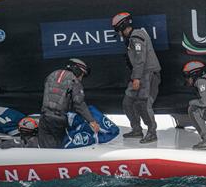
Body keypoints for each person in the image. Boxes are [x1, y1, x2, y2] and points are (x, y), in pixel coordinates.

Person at [111, 12, 161, 144]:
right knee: (127, 102)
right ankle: (137, 129)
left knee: (144, 104)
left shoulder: (137, 36)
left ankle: (152, 132)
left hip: (148, 74)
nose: (118, 33)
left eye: (117, 29)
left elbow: (140, 59)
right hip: (138, 75)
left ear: (123, 26)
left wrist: (137, 78)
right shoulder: (131, 38)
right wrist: (135, 77)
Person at [38, 58, 100, 148]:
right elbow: (79, 104)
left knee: (44, 149)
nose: (81, 78)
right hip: (58, 120)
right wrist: (92, 121)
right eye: (82, 75)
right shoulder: (74, 81)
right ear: (78, 70)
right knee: (56, 150)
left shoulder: (51, 75)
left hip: (44, 117)